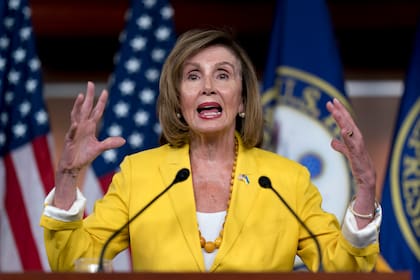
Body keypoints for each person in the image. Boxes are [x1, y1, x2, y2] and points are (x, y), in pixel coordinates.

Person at [40, 28, 381, 272]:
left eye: (222, 75)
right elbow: (73, 262)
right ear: (178, 102)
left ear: (243, 99)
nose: (207, 87)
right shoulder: (139, 175)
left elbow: (345, 269)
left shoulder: (284, 181)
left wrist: (365, 188)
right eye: (192, 77)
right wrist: (68, 175)